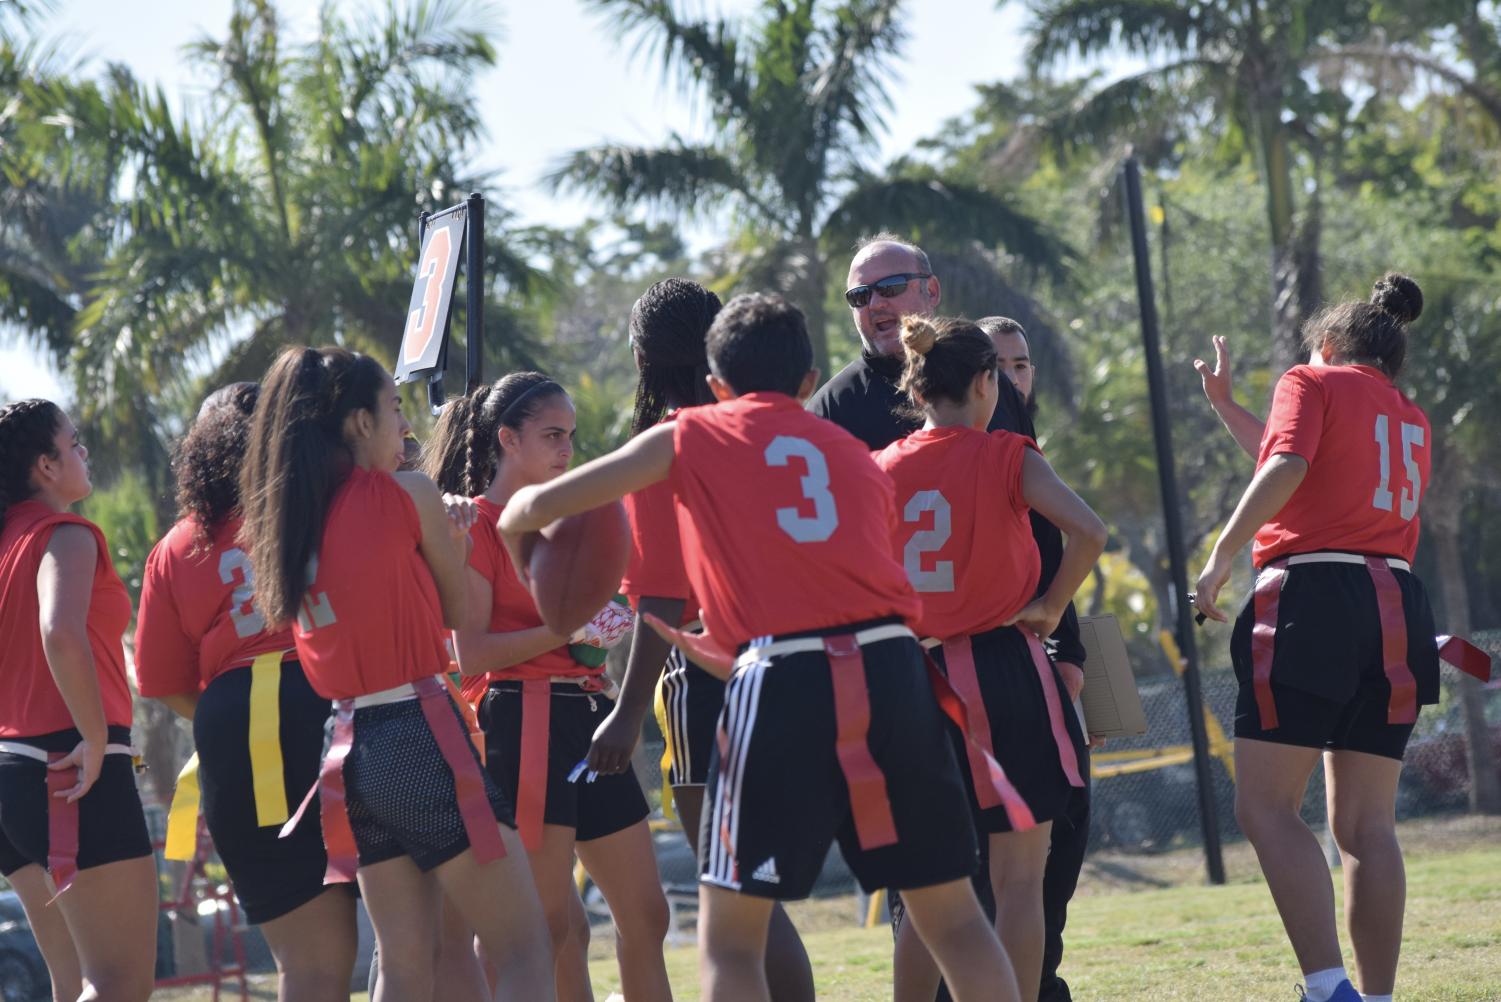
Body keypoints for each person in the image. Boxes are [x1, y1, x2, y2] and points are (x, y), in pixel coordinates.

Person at [499, 292, 1021, 1002]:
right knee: (954, 919)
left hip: (783, 674)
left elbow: (533, 508)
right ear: (809, 383)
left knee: (731, 942)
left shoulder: (688, 434)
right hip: (894, 665)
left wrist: (525, 551)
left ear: (716, 388)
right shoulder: (854, 453)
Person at [237, 346, 553, 1002]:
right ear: (357, 422)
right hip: (419, 727)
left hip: (350, 749)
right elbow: (458, 610)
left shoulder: (285, 523)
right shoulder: (406, 493)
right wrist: (456, 537)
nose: (404, 426)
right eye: (393, 408)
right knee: (524, 947)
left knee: (405, 967)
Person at [1193, 274, 1440, 1002]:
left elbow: (1287, 465)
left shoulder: (1311, 378)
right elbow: (1297, 466)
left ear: (1328, 346)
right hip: (1394, 603)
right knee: (1366, 826)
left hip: (1312, 598)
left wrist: (1219, 555)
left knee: (1264, 807)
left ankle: (1327, 987)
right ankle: (1376, 995)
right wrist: (1229, 408)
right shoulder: (1409, 416)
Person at [585, 278, 815, 1002]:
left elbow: (661, 596)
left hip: (708, 673)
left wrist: (624, 713)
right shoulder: (779, 432)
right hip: (796, 663)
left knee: (737, 896)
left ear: (646, 357)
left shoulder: (673, 443)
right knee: (761, 891)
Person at [875, 316, 1105, 1002]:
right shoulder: (1008, 452)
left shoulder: (878, 467)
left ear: (917, 392)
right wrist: (1051, 607)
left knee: (929, 887)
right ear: (985, 383)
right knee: (1016, 883)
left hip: (918, 682)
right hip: (1008, 671)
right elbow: (1087, 531)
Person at [422, 372, 672, 1002]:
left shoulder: (571, 517)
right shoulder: (476, 523)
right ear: (507, 438)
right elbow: (472, 654)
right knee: (545, 927)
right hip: (523, 718)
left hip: (589, 714)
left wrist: (597, 628)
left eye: (571, 436)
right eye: (551, 435)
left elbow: (582, 627)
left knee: (647, 915)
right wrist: (565, 625)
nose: (566, 449)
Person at [135, 382, 358, 1002]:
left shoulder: (175, 545)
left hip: (235, 728)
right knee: (415, 931)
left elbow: (163, 682)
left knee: (309, 966)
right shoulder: (326, 502)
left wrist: (229, 718)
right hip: (335, 702)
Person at [0, 398, 157, 1002]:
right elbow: (60, 633)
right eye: (75, 443)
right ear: (45, 464)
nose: (84, 453)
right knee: (118, 985)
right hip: (66, 768)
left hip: (16, 775)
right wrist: (95, 739)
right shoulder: (63, 533)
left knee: (73, 986)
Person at [979, 315, 1095, 1002]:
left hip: (1051, 677)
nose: (1013, 376)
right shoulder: (972, 455)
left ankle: (1039, 985)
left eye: (1020, 363)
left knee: (1053, 868)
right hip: (993, 675)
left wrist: (1073, 654)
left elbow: (1068, 571)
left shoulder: (1029, 452)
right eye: (996, 364)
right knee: (995, 877)